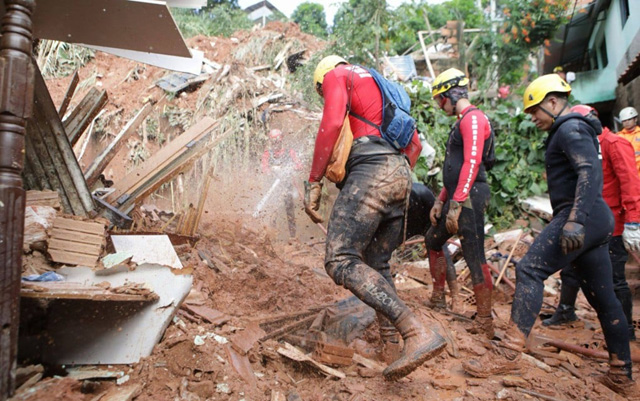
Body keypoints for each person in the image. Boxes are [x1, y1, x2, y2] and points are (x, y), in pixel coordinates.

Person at [462, 74, 638, 399]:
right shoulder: (575, 128)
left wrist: (574, 222)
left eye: (535, 111)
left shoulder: (569, 128)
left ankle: (508, 355)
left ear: (553, 101)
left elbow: (589, 171)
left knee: (529, 269)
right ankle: (621, 374)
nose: (533, 118)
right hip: (594, 220)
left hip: (580, 216)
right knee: (603, 298)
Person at [303, 55, 446, 381]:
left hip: (371, 170)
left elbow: (332, 124)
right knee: (376, 261)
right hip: (400, 173)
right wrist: (392, 175)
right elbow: (415, 145)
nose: (325, 94)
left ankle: (415, 330)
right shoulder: (385, 91)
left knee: (339, 259)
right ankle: (391, 346)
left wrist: (314, 180)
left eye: (321, 91)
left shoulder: (338, 75)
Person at [542, 105, 640, 342]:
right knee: (571, 269)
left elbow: (630, 184)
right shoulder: (584, 144)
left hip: (612, 223)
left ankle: (626, 332)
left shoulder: (614, 144)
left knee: (615, 280)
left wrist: (633, 222)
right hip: (585, 220)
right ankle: (566, 311)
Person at [425, 68, 495, 339]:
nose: (439, 106)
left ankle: (485, 321)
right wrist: (442, 199)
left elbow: (472, 163)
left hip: (469, 196)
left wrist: (457, 202)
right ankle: (438, 298)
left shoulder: (473, 119)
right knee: (433, 239)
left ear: (448, 95)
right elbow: (455, 168)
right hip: (458, 195)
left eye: (439, 100)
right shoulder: (463, 120)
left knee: (474, 253)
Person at [261, 128, 303, 238]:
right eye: (273, 141)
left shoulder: (290, 152)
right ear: (271, 141)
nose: (276, 143)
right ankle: (272, 235)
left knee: (290, 212)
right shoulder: (267, 154)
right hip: (273, 188)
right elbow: (264, 169)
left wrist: (290, 168)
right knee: (273, 212)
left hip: (287, 186)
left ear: (281, 139)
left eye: (278, 140)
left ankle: (293, 237)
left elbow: (299, 165)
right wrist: (273, 170)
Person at [617, 106, 640, 175]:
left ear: (635, 119)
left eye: (629, 119)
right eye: (624, 121)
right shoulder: (618, 137)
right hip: (628, 173)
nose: (627, 122)